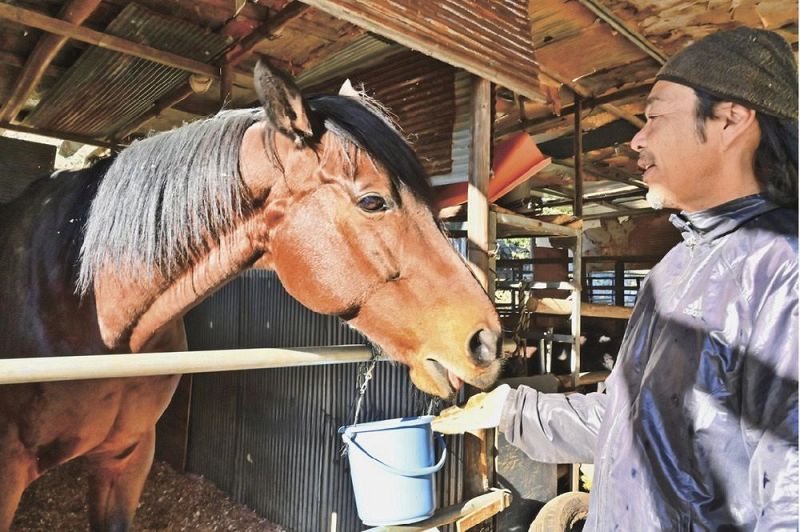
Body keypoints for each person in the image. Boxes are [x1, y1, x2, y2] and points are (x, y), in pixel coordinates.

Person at [433, 27, 798, 531]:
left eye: (654, 116)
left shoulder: (786, 270)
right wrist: (512, 407)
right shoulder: (674, 269)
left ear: (729, 120)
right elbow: (624, 422)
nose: (637, 138)